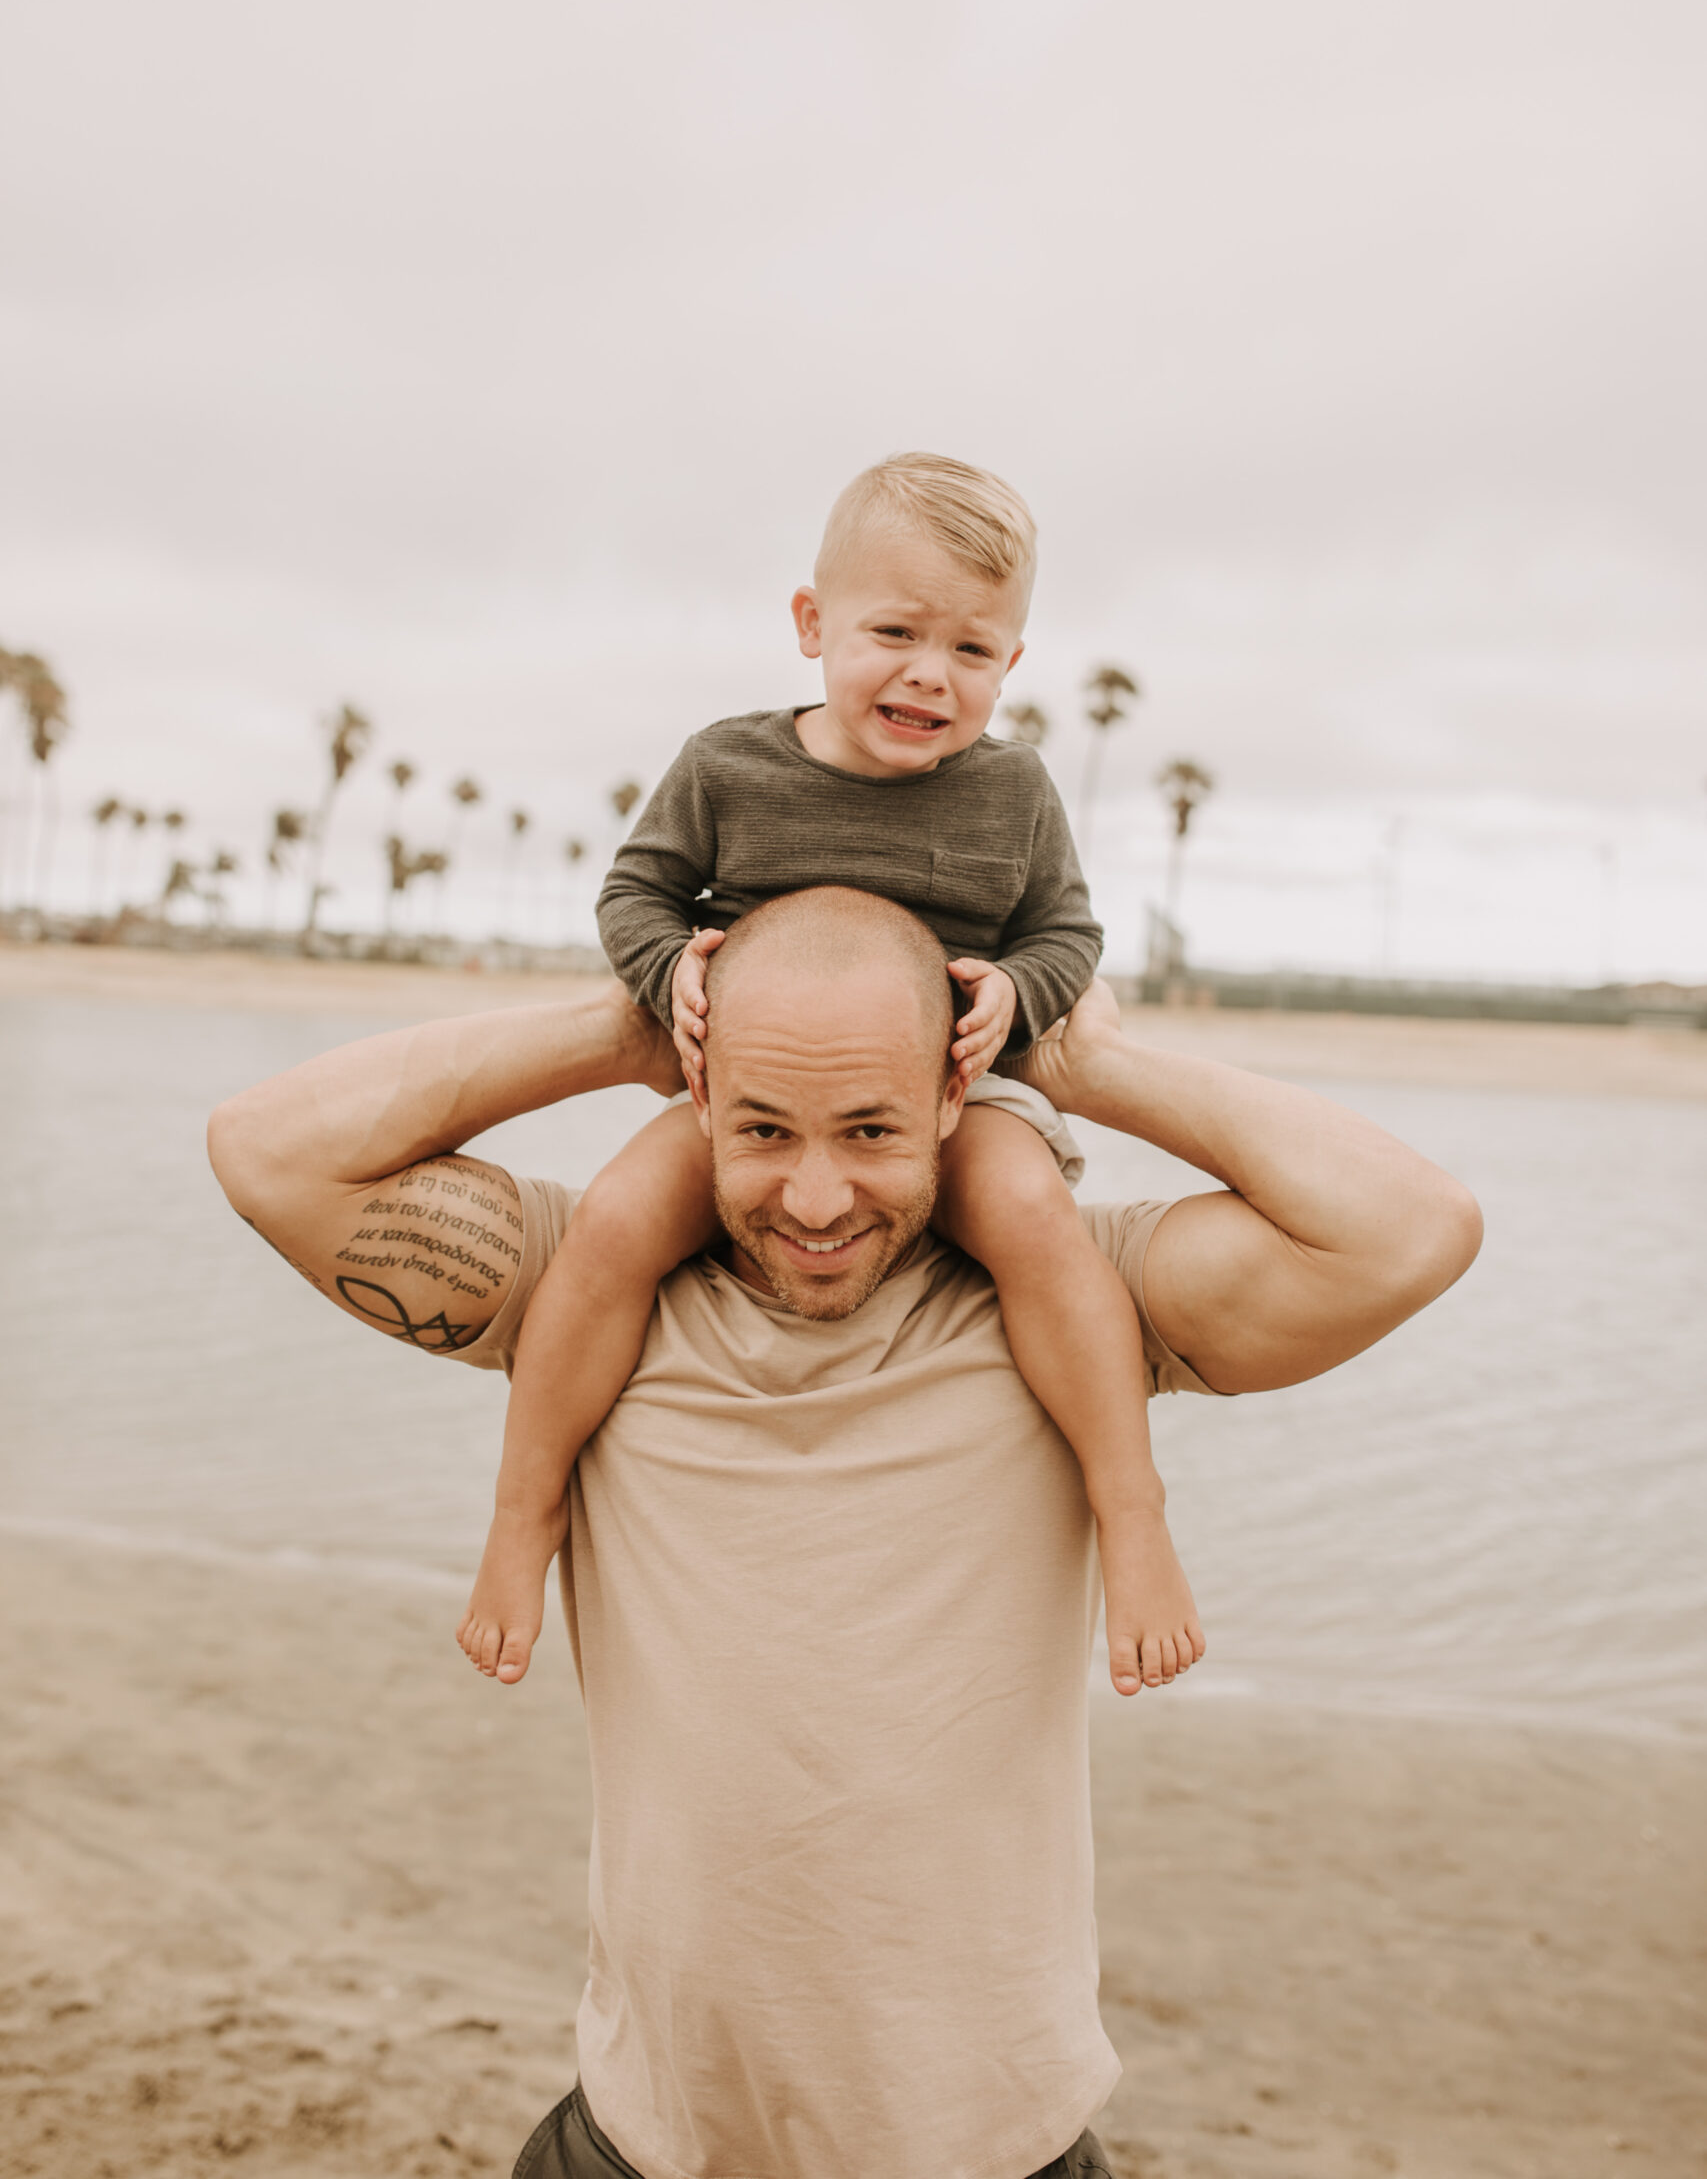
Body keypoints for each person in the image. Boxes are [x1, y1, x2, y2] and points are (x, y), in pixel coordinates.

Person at [207, 891, 1481, 2179]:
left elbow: (1412, 1229)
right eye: (763, 1127)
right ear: (704, 1100)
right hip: (652, 2139)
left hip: (991, 2143)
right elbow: (266, 1148)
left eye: (870, 1127)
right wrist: (629, 1026)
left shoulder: (1074, 1308)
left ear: (947, 1099)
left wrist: (1091, 1064)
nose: (817, 1198)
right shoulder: (582, 1297)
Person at [459, 452, 1204, 1702]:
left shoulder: (1012, 790)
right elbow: (634, 892)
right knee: (614, 1228)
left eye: (972, 649)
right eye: (895, 631)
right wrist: (668, 974)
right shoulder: (729, 767)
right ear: (814, 626)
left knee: (1033, 1220)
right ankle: (521, 1516)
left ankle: (1132, 1515)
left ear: (1010, 666)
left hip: (957, 1100)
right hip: (756, 1106)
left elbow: (1067, 933)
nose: (930, 672)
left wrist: (1021, 992)